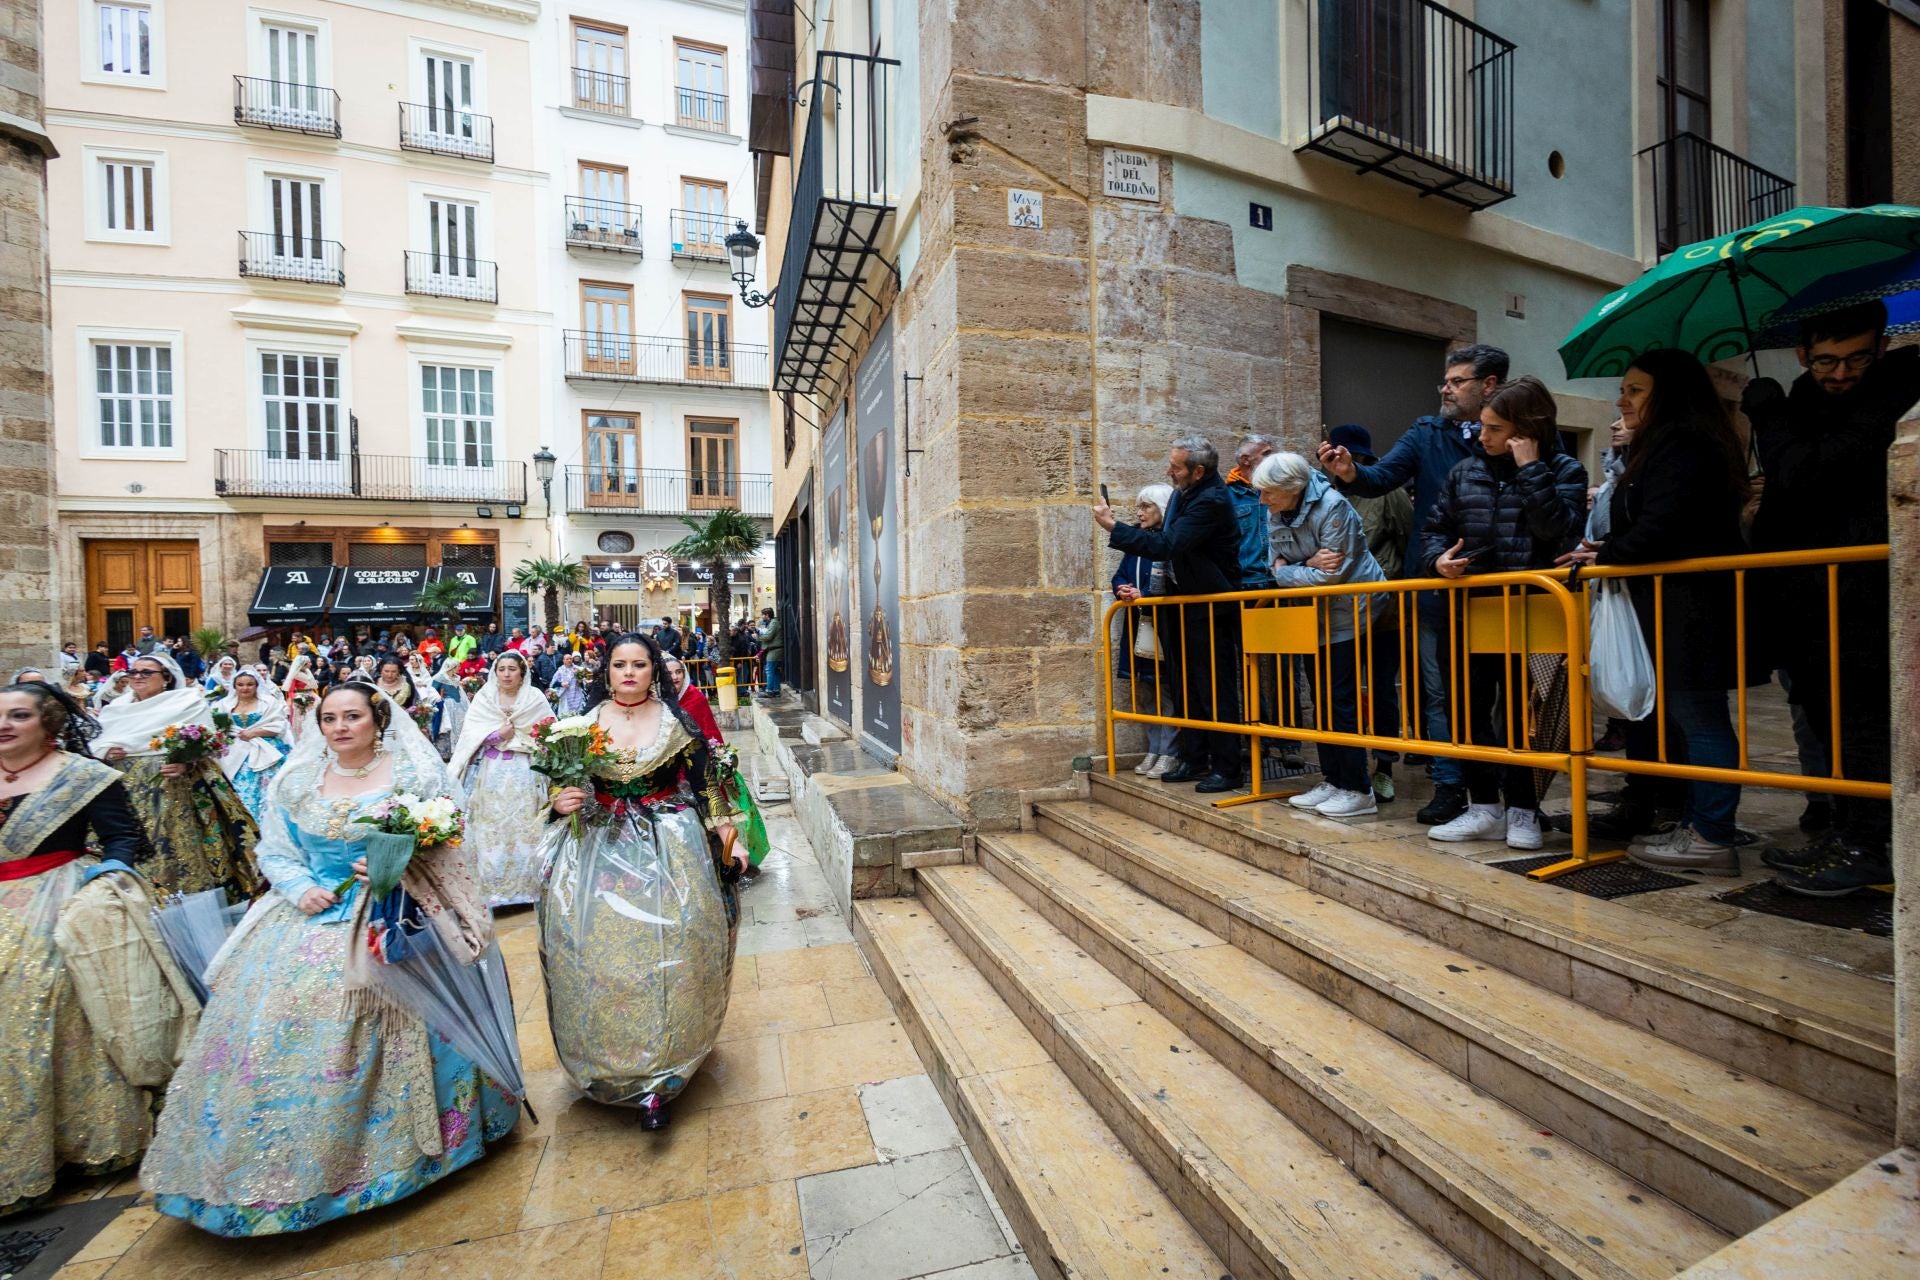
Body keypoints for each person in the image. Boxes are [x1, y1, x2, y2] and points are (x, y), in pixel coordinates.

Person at [141, 682, 519, 1235]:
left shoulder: (414, 775)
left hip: (394, 915)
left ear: (377, 720)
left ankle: (418, 1147)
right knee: (281, 1029)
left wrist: (401, 860)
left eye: (352, 716)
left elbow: (448, 838)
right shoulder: (296, 782)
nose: (340, 727)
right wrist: (297, 888)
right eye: (329, 719)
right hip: (312, 917)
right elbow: (274, 849)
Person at [540, 633, 757, 1130]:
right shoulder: (581, 725)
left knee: (673, 950)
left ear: (653, 669)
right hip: (598, 849)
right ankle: (606, 1065)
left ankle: (666, 1069)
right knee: (596, 953)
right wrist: (559, 801)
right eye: (620, 665)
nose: (630, 673)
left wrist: (730, 838)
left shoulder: (675, 721)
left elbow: (706, 786)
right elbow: (559, 783)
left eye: (639, 664)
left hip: (668, 846)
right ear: (607, 671)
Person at [0, 682, 191, 1214]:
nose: (6, 726)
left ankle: (78, 1140)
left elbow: (124, 839)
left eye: (19, 715)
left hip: (57, 898)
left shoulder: (82, 777)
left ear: (49, 723)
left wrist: (107, 879)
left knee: (40, 998)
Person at [1562, 349, 1753, 876]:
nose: (1622, 400)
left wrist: (1610, 552)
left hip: (1689, 608)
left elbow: (1664, 525)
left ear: (1670, 393)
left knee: (1700, 718)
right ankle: (1701, 824)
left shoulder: (1684, 446)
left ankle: (1712, 835)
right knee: (1692, 719)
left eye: (1636, 390)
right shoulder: (1671, 445)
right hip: (1675, 605)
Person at [1319, 344, 1511, 825]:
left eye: (1457, 381)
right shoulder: (1427, 431)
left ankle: (1515, 792)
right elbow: (1381, 477)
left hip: (1503, 581)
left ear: (1490, 385)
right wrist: (1349, 472)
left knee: (1504, 693)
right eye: (1444, 381)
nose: (1445, 388)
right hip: (1434, 581)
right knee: (1439, 690)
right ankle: (1449, 784)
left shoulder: (1518, 432)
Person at [1417, 377, 1588, 850]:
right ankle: (1483, 807)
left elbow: (1559, 531)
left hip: (1529, 612)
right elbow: (1435, 529)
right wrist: (1438, 561)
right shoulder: (1464, 472)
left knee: (1518, 717)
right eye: (1482, 426)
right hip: (1470, 610)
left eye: (1494, 428)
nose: (1482, 435)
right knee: (1466, 709)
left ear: (1526, 430)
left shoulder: (1564, 470)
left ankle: (1523, 810)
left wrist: (1531, 469)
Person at [1095, 436, 1246, 793]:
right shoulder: (1184, 491)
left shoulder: (1211, 499)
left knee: (1215, 688)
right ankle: (1193, 758)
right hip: (1183, 602)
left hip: (1210, 605)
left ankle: (1227, 766)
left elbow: (1169, 544)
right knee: (1186, 687)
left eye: (1175, 466)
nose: (1169, 471)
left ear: (1198, 470)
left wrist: (1114, 528)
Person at [1251, 452, 1390, 818]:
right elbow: (1272, 563)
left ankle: (1358, 788)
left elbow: (1333, 574)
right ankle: (1334, 778)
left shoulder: (1333, 506)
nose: (1262, 500)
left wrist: (1290, 570)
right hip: (1314, 613)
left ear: (1292, 489)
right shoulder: (1277, 509)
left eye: (1268, 493)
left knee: (1340, 697)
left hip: (1349, 608)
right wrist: (1304, 565)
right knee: (1322, 696)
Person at [92, 651, 263, 900]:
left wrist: (187, 762)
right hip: (126, 790)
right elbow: (97, 743)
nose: (138, 677)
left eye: (146, 672)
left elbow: (208, 743)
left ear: (166, 678)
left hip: (174, 788)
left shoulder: (186, 702)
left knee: (176, 850)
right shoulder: (116, 708)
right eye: (134, 672)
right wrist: (106, 752)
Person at [1325, 425, 1414, 799]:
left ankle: (1384, 766)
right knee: (1341, 690)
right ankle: (1347, 774)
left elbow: (1410, 538)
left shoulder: (1387, 492)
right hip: (1340, 608)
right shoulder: (1328, 496)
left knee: (1380, 689)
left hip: (1382, 610)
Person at [448, 652, 551, 908]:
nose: (506, 674)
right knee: (491, 825)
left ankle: (527, 888)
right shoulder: (485, 698)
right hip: (492, 772)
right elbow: (471, 735)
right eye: (501, 669)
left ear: (522, 673)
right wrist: (496, 735)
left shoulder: (534, 699)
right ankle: (494, 889)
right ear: (495, 672)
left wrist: (523, 739)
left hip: (524, 771)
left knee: (525, 823)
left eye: (512, 669)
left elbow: (548, 732)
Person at [1111, 483, 1180, 778]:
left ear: (1162, 509)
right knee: (1148, 691)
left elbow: (1177, 584)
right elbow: (1121, 575)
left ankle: (1170, 752)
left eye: (1146, 507)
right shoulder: (1137, 544)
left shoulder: (1170, 542)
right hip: (1140, 626)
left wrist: (1147, 596)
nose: (1139, 513)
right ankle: (1154, 748)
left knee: (1169, 691)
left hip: (1165, 625)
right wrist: (1122, 589)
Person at [217, 670, 290, 819]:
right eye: (240, 685)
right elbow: (217, 727)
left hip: (265, 748)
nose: (245, 688)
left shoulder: (268, 703)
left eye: (250, 684)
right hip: (234, 751)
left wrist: (254, 733)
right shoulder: (224, 705)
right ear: (234, 686)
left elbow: (278, 725)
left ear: (257, 685)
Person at [756, 608, 784, 696]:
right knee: (774, 670)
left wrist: (757, 637)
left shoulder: (774, 623)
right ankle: (776, 690)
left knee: (769, 670)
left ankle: (769, 690)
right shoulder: (771, 623)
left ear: (767, 615)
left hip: (774, 650)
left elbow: (768, 636)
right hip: (773, 650)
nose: (762, 617)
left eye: (762, 615)